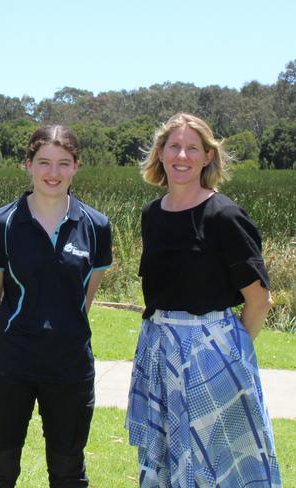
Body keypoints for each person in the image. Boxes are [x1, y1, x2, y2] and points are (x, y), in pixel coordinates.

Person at [125, 113, 282, 487]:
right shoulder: (152, 215)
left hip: (213, 353)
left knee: (217, 466)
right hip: (158, 348)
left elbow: (260, 300)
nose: (182, 155)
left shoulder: (224, 215)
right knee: (164, 462)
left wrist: (228, 351)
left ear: (208, 157)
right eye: (174, 146)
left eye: (192, 148)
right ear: (160, 153)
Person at [0, 125, 112, 487]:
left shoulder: (97, 227)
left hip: (70, 367)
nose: (53, 173)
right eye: (44, 162)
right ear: (28, 165)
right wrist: (18, 336)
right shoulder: (0, 224)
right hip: (10, 366)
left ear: (77, 167)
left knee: (68, 471)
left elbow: (83, 298)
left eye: (64, 163)